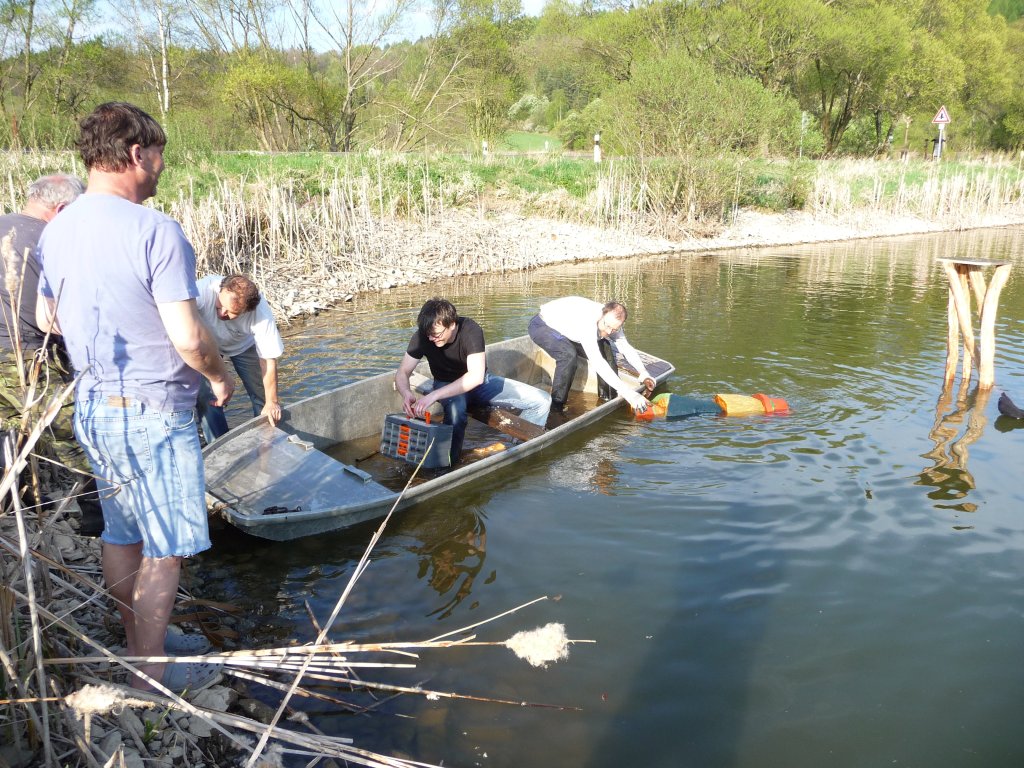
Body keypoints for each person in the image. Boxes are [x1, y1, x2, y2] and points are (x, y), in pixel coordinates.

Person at [36, 102, 234, 692]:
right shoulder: (157, 230)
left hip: (95, 405)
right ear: (135, 153)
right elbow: (188, 337)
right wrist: (220, 377)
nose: (162, 168)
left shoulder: (58, 226)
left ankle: (136, 643)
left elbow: (48, 316)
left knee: (122, 532)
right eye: (160, 156)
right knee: (166, 546)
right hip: (154, 410)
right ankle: (150, 674)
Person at [0, 173, 106, 536]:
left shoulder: (3, 226)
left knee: (9, 435)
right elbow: (55, 319)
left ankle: (16, 513)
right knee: (75, 436)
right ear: (60, 208)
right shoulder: (49, 241)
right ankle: (100, 521)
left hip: (10, 352)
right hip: (27, 357)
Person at [395, 298, 550, 464]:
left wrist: (433, 396)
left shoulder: (470, 330)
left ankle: (517, 448)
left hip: (480, 384)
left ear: (452, 324)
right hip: (446, 384)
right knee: (456, 414)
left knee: (542, 400)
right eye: (428, 334)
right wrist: (406, 393)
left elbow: (476, 377)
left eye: (437, 334)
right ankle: (446, 465)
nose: (432, 338)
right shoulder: (423, 336)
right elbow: (403, 372)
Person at [195, 273, 284, 442]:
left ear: (246, 311)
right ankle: (218, 444)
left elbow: (268, 360)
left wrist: (272, 401)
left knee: (264, 398)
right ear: (220, 289)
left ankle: (266, 442)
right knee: (206, 396)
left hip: (243, 344)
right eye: (220, 305)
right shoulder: (203, 290)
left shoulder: (260, 313)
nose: (222, 313)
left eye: (231, 313)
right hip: (209, 344)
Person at [528, 296, 654, 414]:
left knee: (606, 348)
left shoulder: (613, 323)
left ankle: (608, 399)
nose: (609, 331)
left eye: (614, 329)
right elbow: (598, 363)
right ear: (602, 315)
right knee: (568, 355)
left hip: (569, 331)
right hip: (543, 326)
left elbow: (626, 347)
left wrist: (644, 373)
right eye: (607, 326)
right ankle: (556, 407)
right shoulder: (587, 322)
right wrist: (629, 393)